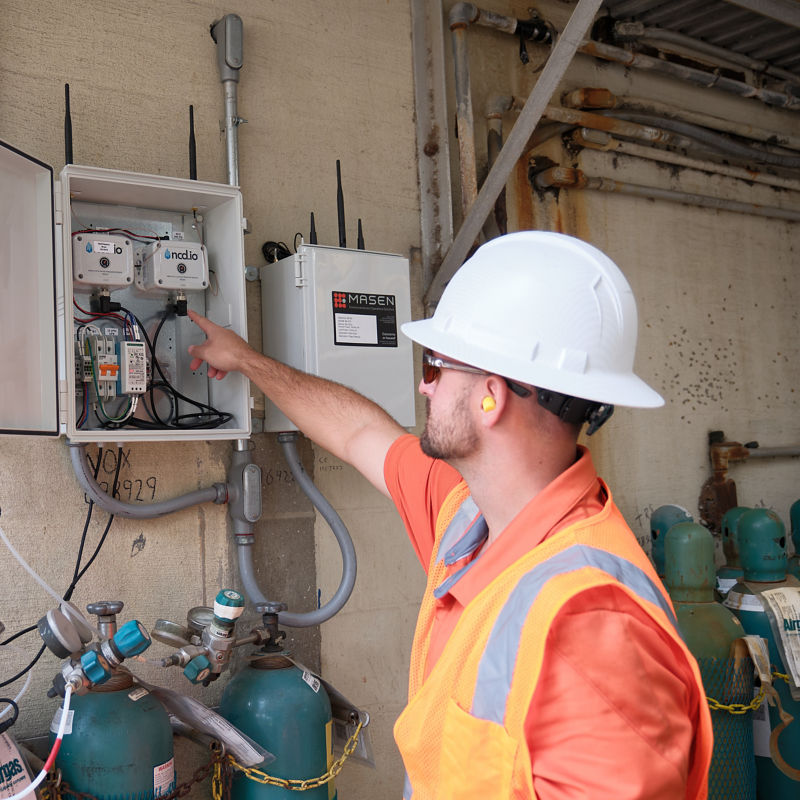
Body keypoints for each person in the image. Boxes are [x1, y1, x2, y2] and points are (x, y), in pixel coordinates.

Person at [187, 231, 712, 799]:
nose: (422, 384)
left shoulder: (591, 624)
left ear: (491, 396)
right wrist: (244, 358)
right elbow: (360, 430)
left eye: (436, 365)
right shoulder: (468, 511)